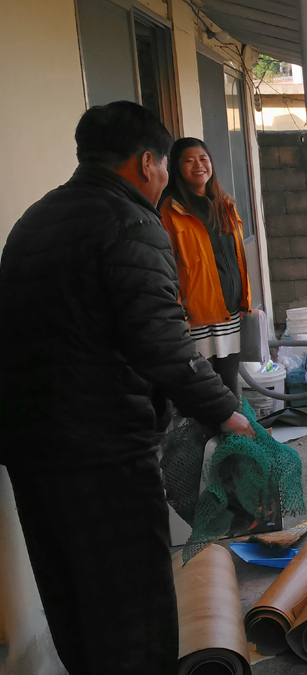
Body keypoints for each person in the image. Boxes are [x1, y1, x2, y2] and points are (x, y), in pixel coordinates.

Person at [0, 101, 253, 674]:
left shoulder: (35, 219)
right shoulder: (132, 224)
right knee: (133, 607)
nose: (165, 177)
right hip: (102, 453)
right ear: (148, 163)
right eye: (165, 164)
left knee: (72, 596)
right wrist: (229, 414)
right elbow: (162, 342)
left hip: (32, 453)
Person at [159, 137, 252, 397]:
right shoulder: (171, 211)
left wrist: (244, 301)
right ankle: (208, 438)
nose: (198, 165)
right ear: (176, 168)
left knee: (230, 384)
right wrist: (178, 313)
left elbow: (237, 258)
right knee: (204, 389)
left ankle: (230, 438)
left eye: (203, 159)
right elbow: (166, 266)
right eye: (189, 161)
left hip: (229, 312)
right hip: (195, 318)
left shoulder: (224, 204)